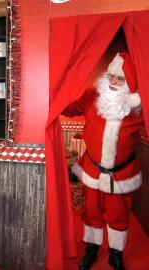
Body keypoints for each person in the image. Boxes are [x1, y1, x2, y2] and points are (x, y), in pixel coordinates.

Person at [63, 52, 143, 270]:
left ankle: (116, 254)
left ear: (130, 83)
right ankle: (92, 249)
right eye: (111, 76)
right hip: (92, 170)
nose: (114, 82)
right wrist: (56, 98)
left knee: (119, 215)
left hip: (122, 174)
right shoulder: (91, 96)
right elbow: (70, 109)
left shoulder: (138, 109)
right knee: (91, 212)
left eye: (120, 79)